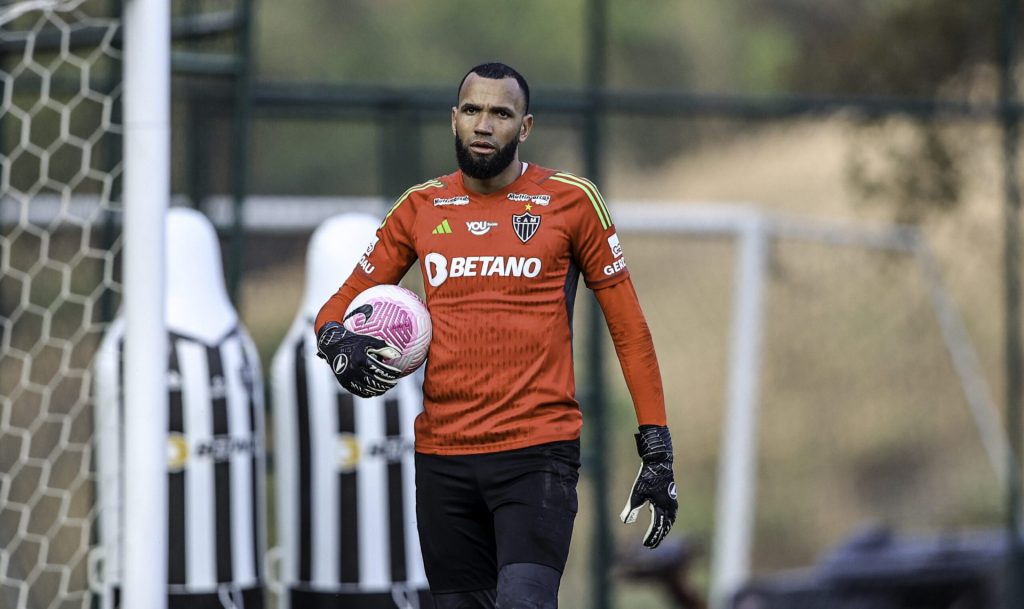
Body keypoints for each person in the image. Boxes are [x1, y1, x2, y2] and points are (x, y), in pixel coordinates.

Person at [315, 62, 677, 609]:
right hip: (443, 458)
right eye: (472, 110)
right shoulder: (420, 206)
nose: (484, 124)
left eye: (500, 113)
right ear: (454, 119)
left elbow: (630, 330)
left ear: (524, 127)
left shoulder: (572, 201)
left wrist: (657, 448)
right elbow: (334, 309)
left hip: (536, 455)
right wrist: (339, 345)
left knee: (524, 602)